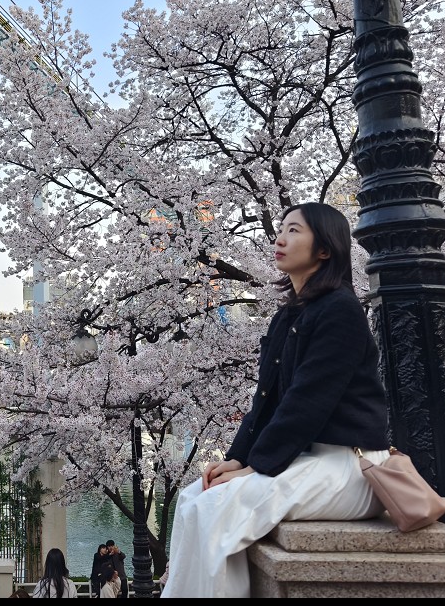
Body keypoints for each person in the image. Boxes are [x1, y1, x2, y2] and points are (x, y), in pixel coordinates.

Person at [161, 202, 392, 598]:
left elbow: (308, 401)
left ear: (325, 249)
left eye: (294, 230)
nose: (279, 238)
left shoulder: (341, 310)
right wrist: (238, 458)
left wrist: (257, 469)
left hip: (350, 464)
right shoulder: (289, 316)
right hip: (308, 460)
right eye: (281, 228)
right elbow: (266, 400)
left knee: (217, 508)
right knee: (193, 497)